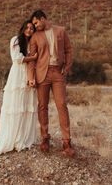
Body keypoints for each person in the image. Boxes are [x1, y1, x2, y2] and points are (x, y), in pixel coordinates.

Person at [27, 10, 75, 157]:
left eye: (36, 23)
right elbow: (31, 59)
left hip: (58, 73)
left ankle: (66, 141)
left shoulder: (61, 31)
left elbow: (69, 50)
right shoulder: (35, 36)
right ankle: (45, 138)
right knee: (42, 106)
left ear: (42, 19)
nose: (34, 26)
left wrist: (66, 68)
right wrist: (31, 77)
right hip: (42, 74)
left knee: (62, 105)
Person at [0, 20, 38, 155]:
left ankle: (23, 138)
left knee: (26, 105)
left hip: (29, 74)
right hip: (18, 74)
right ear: (23, 28)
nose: (29, 30)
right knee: (15, 104)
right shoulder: (15, 40)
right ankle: (11, 138)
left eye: (32, 28)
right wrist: (33, 57)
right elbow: (17, 59)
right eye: (27, 27)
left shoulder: (32, 43)